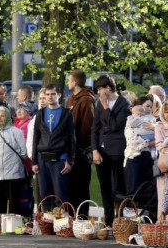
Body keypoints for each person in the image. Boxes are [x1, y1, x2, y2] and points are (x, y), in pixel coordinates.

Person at [91, 75, 130, 227]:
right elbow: (95, 128)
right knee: (105, 188)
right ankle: (108, 221)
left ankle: (120, 222)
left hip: (117, 151)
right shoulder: (99, 104)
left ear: (109, 88)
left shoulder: (123, 104)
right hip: (101, 150)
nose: (98, 92)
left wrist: (106, 107)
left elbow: (114, 126)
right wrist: (95, 149)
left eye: (100, 88)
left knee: (117, 189)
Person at [32, 84, 75, 210]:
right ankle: (46, 220)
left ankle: (61, 221)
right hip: (42, 158)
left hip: (60, 158)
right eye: (47, 94)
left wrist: (70, 160)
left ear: (59, 95)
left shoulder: (66, 114)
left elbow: (72, 139)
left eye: (53, 94)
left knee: (60, 195)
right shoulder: (40, 113)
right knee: (44, 195)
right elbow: (36, 137)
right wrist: (34, 161)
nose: (50, 97)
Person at [0, 106, 28, 216]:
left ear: (7, 117)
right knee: (1, 201)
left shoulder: (17, 132)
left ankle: (15, 222)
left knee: (14, 201)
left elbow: (24, 153)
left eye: (2, 116)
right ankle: (2, 222)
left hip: (13, 172)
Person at [66, 70, 95, 209]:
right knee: (71, 189)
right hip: (71, 151)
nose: (67, 83)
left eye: (69, 80)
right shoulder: (72, 99)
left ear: (75, 82)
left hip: (81, 151)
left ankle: (82, 218)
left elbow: (87, 127)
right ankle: (72, 218)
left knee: (81, 189)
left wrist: (82, 148)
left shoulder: (86, 100)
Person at [123, 96, 156, 200]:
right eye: (147, 106)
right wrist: (149, 143)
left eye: (151, 107)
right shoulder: (132, 120)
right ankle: (131, 209)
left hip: (149, 158)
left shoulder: (152, 121)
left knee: (146, 191)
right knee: (133, 192)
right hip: (134, 158)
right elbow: (132, 141)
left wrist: (154, 129)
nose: (149, 109)